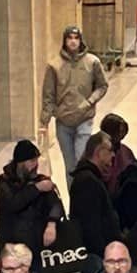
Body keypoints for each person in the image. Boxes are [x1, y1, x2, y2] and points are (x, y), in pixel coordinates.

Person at [41, 26, 109, 174]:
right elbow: (48, 95)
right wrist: (45, 121)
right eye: (69, 38)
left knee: (81, 161)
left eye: (76, 38)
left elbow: (102, 85)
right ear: (64, 41)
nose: (73, 41)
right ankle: (74, 196)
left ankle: (83, 194)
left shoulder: (92, 62)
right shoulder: (54, 66)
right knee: (70, 166)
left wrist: (90, 101)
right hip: (63, 121)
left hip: (84, 118)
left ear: (80, 40)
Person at [0, 137, 63, 273]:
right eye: (31, 161)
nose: (35, 165)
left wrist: (52, 223)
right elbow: (12, 203)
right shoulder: (3, 182)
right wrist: (36, 189)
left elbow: (56, 204)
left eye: (36, 160)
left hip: (36, 250)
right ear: (20, 163)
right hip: (10, 248)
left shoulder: (41, 181)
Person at [67, 131, 123, 272]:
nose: (113, 155)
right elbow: (90, 225)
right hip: (95, 257)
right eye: (110, 151)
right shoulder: (87, 181)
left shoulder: (91, 178)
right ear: (99, 152)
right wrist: (105, 256)